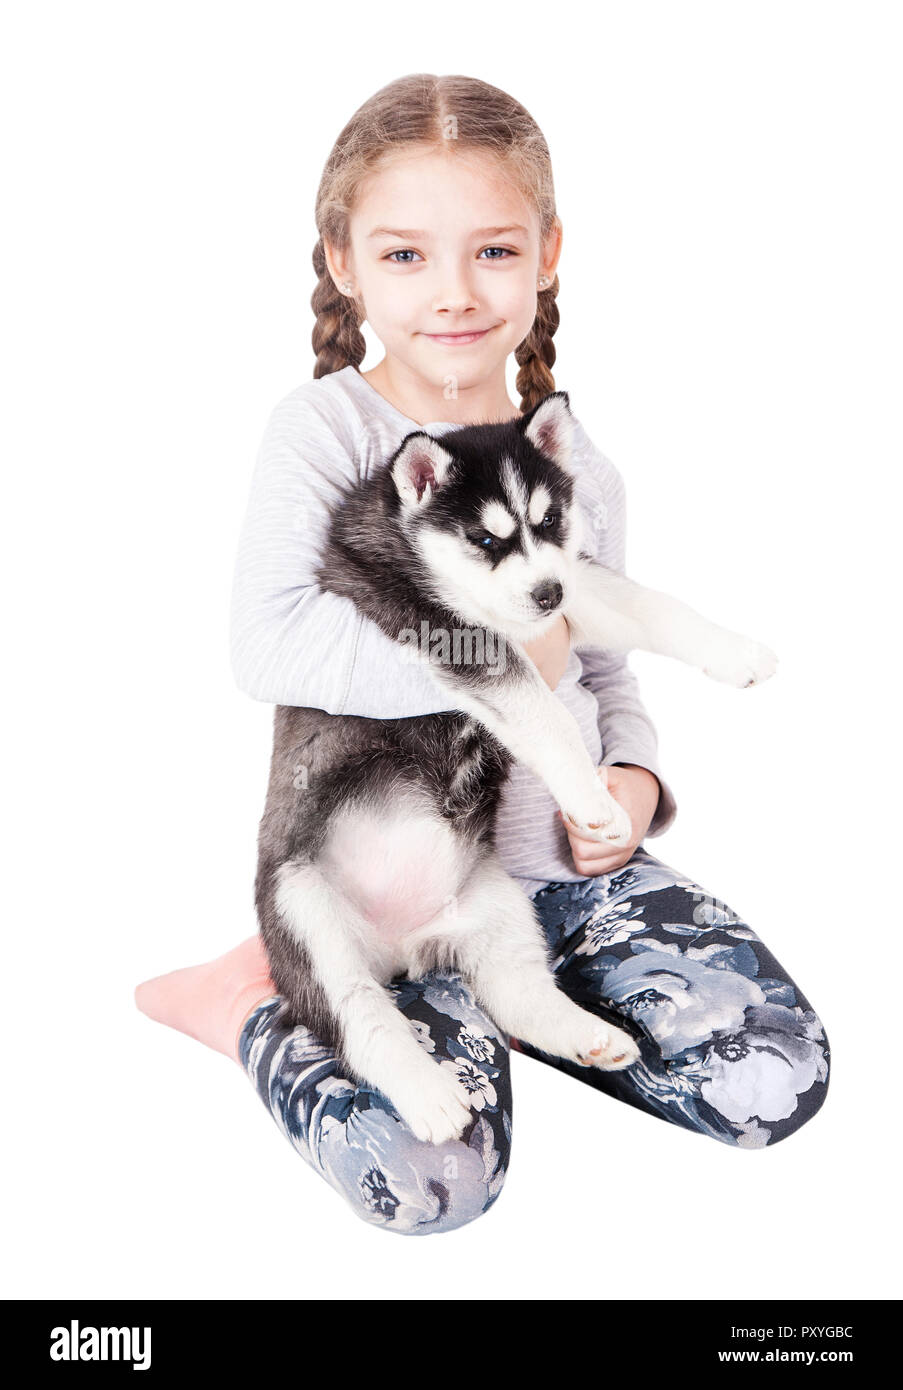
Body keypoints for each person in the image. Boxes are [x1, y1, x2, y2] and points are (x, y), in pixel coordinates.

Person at [135, 73, 830, 1235]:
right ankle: (250, 998)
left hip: (545, 882)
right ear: (345, 262)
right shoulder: (326, 436)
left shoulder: (572, 467)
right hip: (365, 884)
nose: (454, 293)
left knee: (773, 1084)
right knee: (430, 1180)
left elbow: (604, 673)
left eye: (493, 251)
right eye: (407, 256)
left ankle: (525, 1009)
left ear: (550, 254)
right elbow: (269, 645)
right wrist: (502, 656)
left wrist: (630, 782)